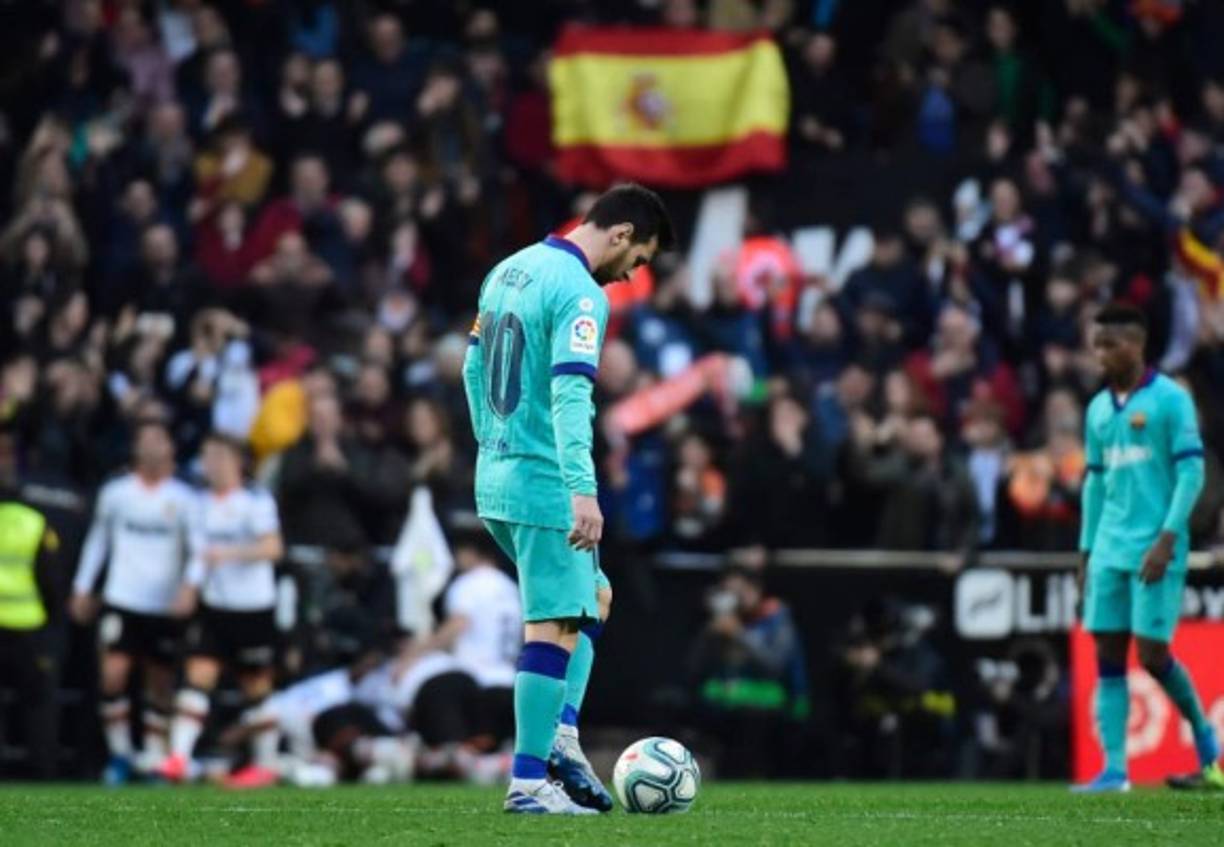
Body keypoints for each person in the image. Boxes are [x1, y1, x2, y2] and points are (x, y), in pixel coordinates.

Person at [463, 183, 672, 814]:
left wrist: (492, 442)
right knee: (551, 626)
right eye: (635, 262)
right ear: (620, 235)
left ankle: (560, 734)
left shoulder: (510, 269)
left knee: (594, 597)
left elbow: (472, 367)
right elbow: (571, 397)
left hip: (496, 474)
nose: (629, 276)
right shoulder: (579, 292)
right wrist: (583, 490)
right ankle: (529, 782)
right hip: (545, 482)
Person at [1074, 303, 1222, 793]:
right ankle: (1115, 771)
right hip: (1110, 548)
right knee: (1108, 652)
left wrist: (1168, 536)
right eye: (1096, 345)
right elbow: (1095, 485)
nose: (1100, 355)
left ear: (1135, 345)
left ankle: (1209, 751)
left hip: (1155, 546)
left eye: (1109, 345)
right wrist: (1085, 551)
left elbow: (1192, 472)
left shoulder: (1170, 400)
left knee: (1154, 656)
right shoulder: (1097, 409)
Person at [69, 419, 199, 784]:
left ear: (172, 448)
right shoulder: (116, 493)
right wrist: (82, 586)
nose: (155, 447)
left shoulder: (185, 498)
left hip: (162, 602)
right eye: (147, 440)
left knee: (159, 682)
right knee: (112, 675)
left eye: (161, 440)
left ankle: (156, 758)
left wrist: (189, 587)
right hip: (121, 596)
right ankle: (121, 755)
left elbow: (198, 550)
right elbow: (99, 542)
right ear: (136, 447)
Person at [160, 432, 284, 783]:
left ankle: (266, 764)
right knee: (197, 676)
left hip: (253, 608)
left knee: (256, 687)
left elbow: (273, 548)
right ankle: (178, 759)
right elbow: (201, 555)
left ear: (235, 461)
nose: (209, 464)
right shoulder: (199, 504)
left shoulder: (255, 501)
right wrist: (188, 588)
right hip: (216, 607)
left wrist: (230, 554)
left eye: (216, 456)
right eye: (206, 456)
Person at [0, 425, 63, 780]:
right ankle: (43, 773)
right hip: (28, 625)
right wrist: (52, 622)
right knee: (38, 706)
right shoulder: (34, 523)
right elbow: (51, 581)